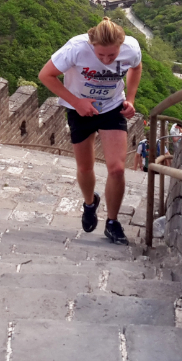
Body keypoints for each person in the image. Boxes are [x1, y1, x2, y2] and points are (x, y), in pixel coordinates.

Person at [38, 17, 143, 245]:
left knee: (116, 169)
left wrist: (131, 99)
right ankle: (89, 203)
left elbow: (136, 67)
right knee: (85, 167)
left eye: (112, 56)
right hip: (80, 109)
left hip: (112, 106)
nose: (106, 60)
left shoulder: (131, 48)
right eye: (100, 55)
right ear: (91, 45)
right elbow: (45, 75)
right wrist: (77, 102)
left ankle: (113, 223)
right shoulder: (76, 48)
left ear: (121, 46)